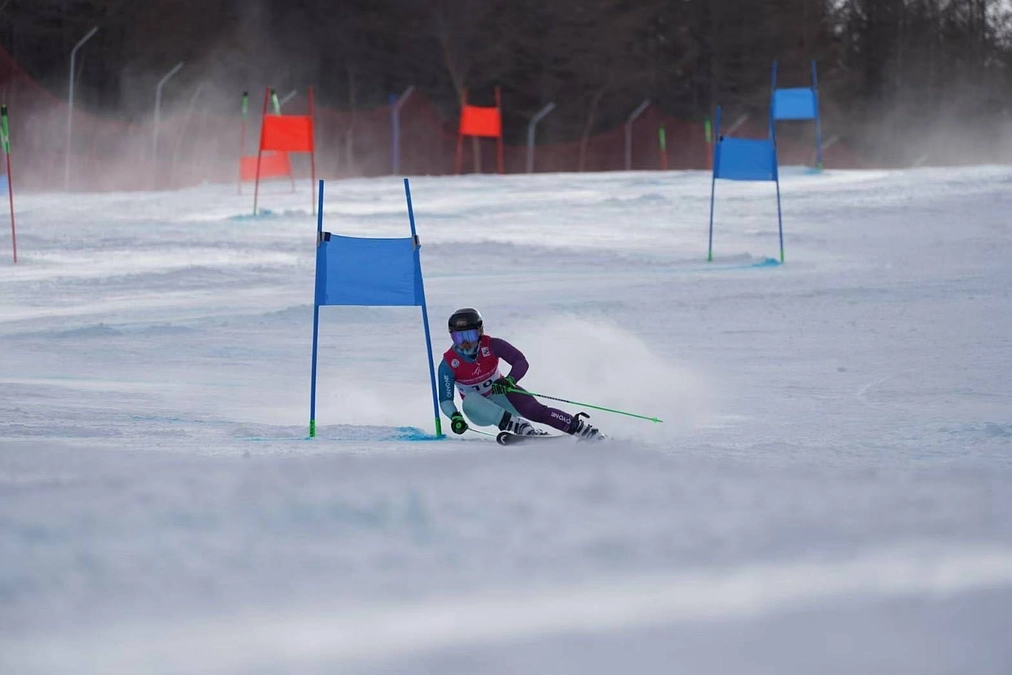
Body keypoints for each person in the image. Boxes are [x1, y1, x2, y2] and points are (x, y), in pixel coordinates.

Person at [437, 307, 602, 439]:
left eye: (469, 335)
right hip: (479, 412)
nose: (465, 343)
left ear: (479, 332)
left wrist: (509, 380)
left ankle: (582, 430)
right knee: (470, 400)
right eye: (458, 338)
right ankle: (520, 427)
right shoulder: (448, 363)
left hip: (502, 398)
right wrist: (455, 417)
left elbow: (521, 361)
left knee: (537, 410)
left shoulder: (493, 345)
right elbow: (445, 400)